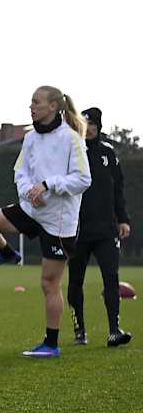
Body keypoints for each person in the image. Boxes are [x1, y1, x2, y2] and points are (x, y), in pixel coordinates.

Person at [0, 86, 91, 358]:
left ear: (53, 106)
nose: (31, 107)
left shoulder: (71, 139)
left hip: (59, 223)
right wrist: (28, 191)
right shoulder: (31, 138)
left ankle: (51, 343)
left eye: (36, 102)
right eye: (31, 103)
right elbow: (20, 172)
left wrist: (48, 185)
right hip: (31, 211)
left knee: (49, 284)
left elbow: (83, 179)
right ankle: (8, 253)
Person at [68, 107, 131, 347]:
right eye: (85, 123)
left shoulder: (108, 154)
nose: (90, 127)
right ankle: (79, 330)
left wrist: (122, 218)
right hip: (77, 231)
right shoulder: (72, 153)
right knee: (75, 280)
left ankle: (114, 330)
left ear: (99, 125)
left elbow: (118, 190)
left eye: (93, 123)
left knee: (111, 278)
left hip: (106, 230)